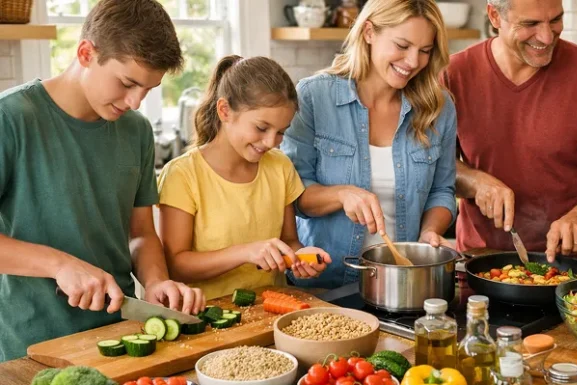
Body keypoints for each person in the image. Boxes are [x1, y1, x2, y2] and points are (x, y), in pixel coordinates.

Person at [0, 0, 204, 361]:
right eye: (127, 83)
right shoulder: (11, 119)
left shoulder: (136, 130)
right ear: (85, 53)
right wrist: (59, 265)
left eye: (149, 90)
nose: (136, 102)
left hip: (120, 336)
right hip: (28, 346)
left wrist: (156, 282)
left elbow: (140, 233)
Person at [443, 0, 577, 261]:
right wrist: (476, 183)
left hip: (573, 271)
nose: (547, 37)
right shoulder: (453, 75)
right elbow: (434, 170)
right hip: (479, 264)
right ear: (494, 16)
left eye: (556, 20)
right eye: (530, 24)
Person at [281, 0, 457, 289]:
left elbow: (442, 190)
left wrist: (429, 232)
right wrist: (342, 194)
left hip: (402, 285)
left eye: (425, 51)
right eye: (402, 45)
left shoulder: (439, 107)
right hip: (324, 285)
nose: (413, 62)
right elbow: (293, 197)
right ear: (369, 32)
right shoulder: (314, 97)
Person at [157, 56, 332, 300]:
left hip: (270, 312)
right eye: (261, 128)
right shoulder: (182, 175)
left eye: (281, 132)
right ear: (224, 111)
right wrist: (245, 253)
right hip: (206, 318)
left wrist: (301, 258)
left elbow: (290, 240)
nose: (271, 142)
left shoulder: (280, 166)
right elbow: (176, 265)